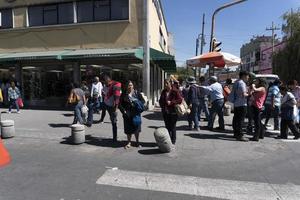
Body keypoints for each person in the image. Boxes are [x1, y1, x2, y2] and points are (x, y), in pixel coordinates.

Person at [119, 81, 145, 149]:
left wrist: (137, 103)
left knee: (137, 128)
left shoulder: (136, 93)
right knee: (128, 129)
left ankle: (137, 142)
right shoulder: (124, 94)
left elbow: (143, 101)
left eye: (131, 85)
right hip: (127, 114)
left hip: (136, 113)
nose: (130, 86)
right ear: (126, 86)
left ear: (133, 86)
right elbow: (120, 104)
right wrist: (123, 111)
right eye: (128, 85)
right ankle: (129, 142)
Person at [159, 80, 183, 145]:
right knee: (167, 126)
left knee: (172, 127)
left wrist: (171, 102)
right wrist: (162, 105)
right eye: (165, 83)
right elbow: (160, 100)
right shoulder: (164, 91)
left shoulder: (175, 91)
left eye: (167, 83)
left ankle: (173, 141)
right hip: (165, 112)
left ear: (170, 84)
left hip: (173, 112)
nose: (166, 85)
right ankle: (168, 139)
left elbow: (180, 100)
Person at [231, 71, 250, 141]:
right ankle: (240, 135)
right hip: (242, 104)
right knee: (240, 120)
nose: (248, 78)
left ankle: (236, 133)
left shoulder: (236, 82)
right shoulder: (242, 83)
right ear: (244, 76)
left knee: (236, 119)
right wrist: (250, 93)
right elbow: (243, 94)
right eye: (248, 76)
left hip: (236, 104)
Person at [103, 74, 121, 142]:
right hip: (107, 105)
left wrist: (116, 109)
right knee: (112, 120)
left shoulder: (115, 86)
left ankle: (115, 137)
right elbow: (104, 94)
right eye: (105, 82)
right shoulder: (105, 87)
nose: (106, 83)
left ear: (110, 80)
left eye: (106, 81)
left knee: (114, 122)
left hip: (113, 107)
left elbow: (117, 98)